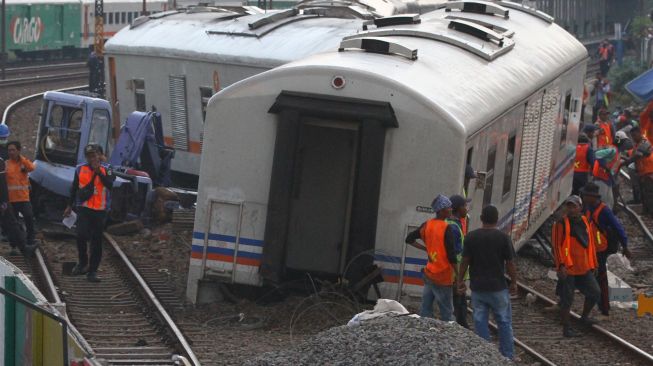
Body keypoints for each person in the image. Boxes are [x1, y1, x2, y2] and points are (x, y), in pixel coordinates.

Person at [457, 205, 517, 360]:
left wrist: (460, 280)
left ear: (481, 218)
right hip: (498, 288)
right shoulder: (503, 238)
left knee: (480, 322)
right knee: (504, 322)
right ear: (497, 219)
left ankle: (485, 357)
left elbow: (465, 261)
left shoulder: (471, 237)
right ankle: (507, 357)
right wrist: (514, 282)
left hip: (478, 289)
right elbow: (510, 263)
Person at [64, 144, 115, 282]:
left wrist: (99, 172)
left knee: (96, 241)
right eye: (89, 156)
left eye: (94, 155)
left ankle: (92, 271)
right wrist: (69, 206)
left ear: (99, 155)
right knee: (81, 235)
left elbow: (110, 184)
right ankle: (82, 262)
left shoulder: (108, 169)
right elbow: (74, 188)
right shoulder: (80, 169)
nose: (92, 158)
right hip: (84, 208)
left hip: (100, 210)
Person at [552, 195, 600, 337]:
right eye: (569, 206)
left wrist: (594, 263)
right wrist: (561, 265)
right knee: (567, 299)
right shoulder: (560, 224)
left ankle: (584, 317)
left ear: (580, 207)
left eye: (574, 206)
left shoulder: (585, 222)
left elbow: (590, 244)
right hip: (569, 268)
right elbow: (556, 246)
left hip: (584, 267)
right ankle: (566, 328)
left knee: (595, 292)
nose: (571, 209)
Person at [581, 182, 631, 317]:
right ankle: (598, 304)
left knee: (600, 278)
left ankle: (604, 307)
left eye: (585, 195)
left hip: (600, 250)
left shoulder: (604, 210)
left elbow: (618, 227)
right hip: (590, 249)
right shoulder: (588, 208)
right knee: (593, 277)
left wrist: (625, 246)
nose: (583, 198)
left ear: (592, 197)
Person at [405, 194, 458, 321]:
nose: (451, 209)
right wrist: (458, 276)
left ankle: (425, 332)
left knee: (425, 309)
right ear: (442, 210)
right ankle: (450, 335)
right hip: (443, 276)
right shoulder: (446, 228)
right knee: (447, 312)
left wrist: (425, 248)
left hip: (429, 273)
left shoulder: (427, 225)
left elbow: (409, 239)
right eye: (449, 207)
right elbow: (451, 256)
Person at [447, 194, 471, 328]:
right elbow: (455, 254)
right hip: (454, 274)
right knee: (458, 303)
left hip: (454, 274)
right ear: (458, 208)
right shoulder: (453, 227)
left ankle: (462, 327)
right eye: (465, 206)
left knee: (460, 302)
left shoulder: (454, 224)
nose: (466, 209)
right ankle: (462, 329)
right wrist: (458, 278)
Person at [6, 141, 36, 246]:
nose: (11, 152)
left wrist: (21, 159)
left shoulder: (24, 163)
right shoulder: (6, 164)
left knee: (29, 216)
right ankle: (14, 244)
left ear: (18, 151)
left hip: (23, 198)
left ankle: (31, 238)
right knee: (13, 223)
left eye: (13, 150)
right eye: (9, 150)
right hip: (11, 199)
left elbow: (32, 168)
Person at [623, 127, 653, 214]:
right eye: (632, 136)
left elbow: (637, 156)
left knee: (649, 193)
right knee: (644, 193)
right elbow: (632, 155)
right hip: (643, 172)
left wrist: (626, 161)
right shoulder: (637, 144)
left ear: (640, 133)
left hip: (649, 171)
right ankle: (647, 211)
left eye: (635, 135)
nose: (633, 138)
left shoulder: (645, 142)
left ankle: (651, 212)